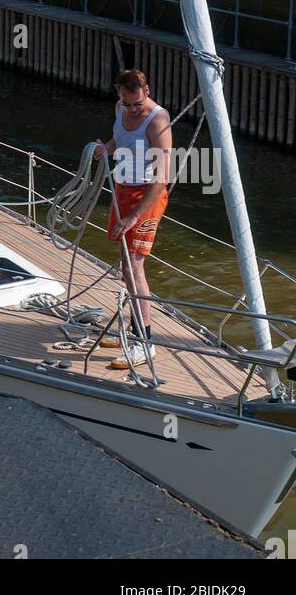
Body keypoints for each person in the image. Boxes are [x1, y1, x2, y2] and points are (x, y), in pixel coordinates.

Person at [95, 69, 171, 370]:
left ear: (147, 90)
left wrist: (135, 215)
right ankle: (133, 329)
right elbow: (118, 139)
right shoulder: (120, 108)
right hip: (122, 189)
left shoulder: (158, 121)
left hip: (147, 196)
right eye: (126, 104)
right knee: (125, 264)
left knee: (134, 265)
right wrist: (106, 149)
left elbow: (162, 177)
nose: (132, 109)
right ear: (119, 94)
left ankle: (145, 341)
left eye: (136, 103)